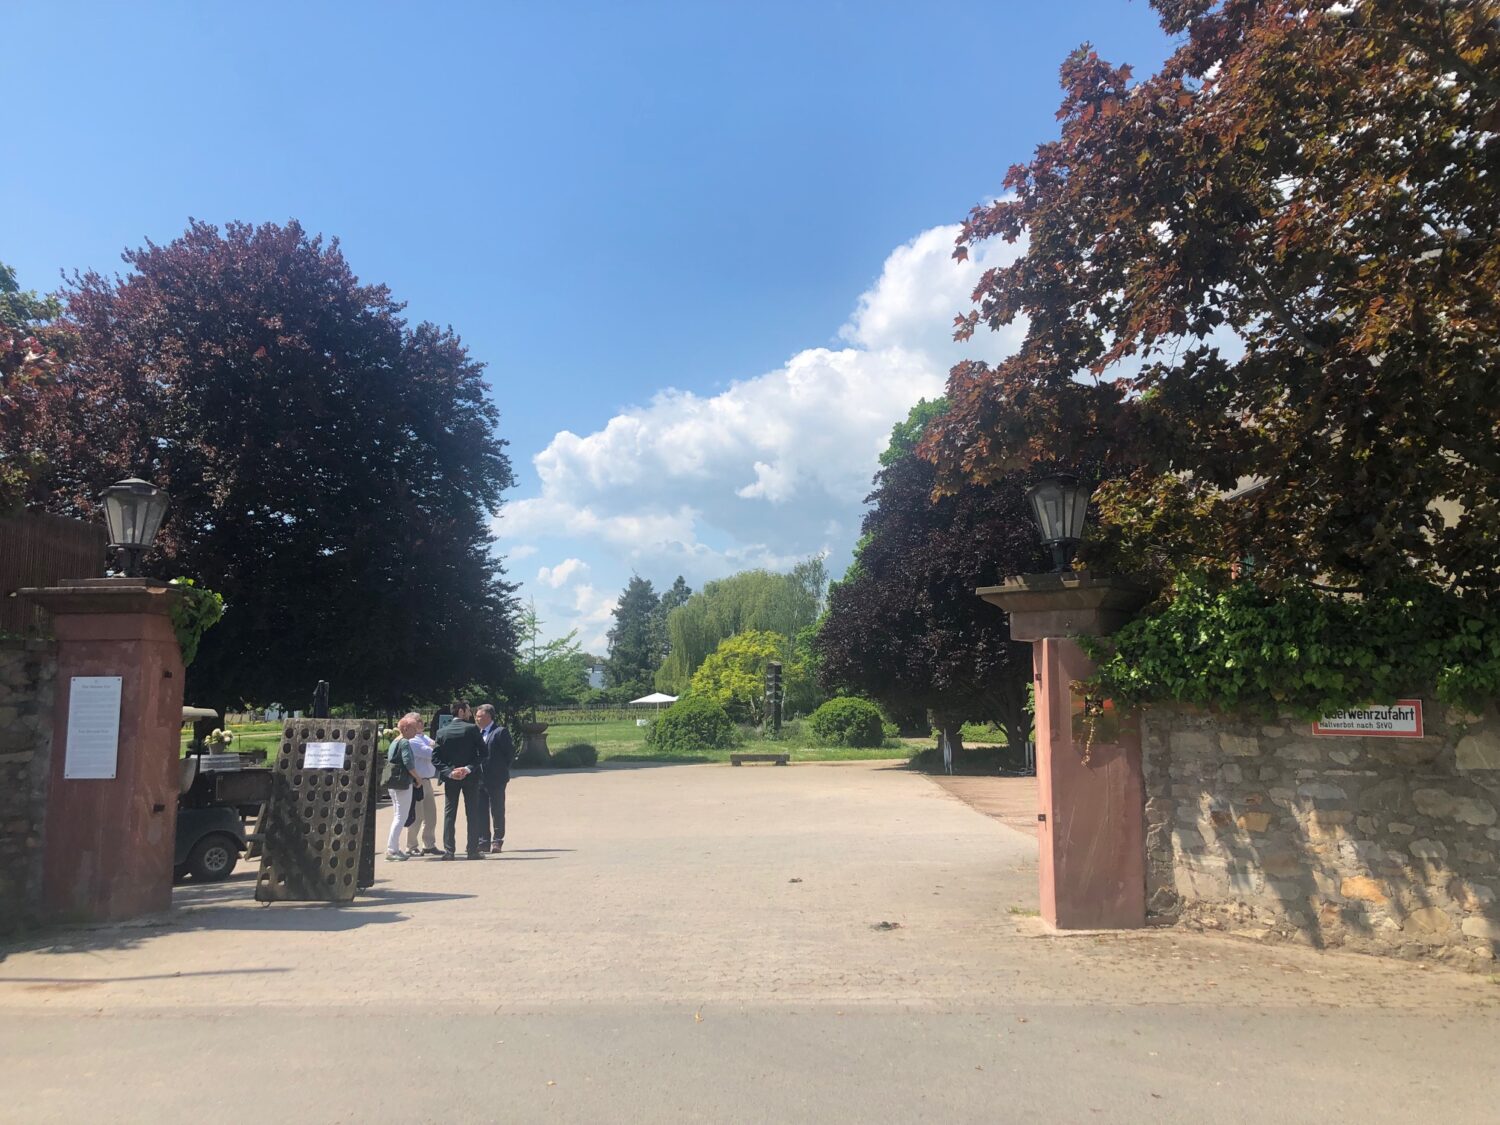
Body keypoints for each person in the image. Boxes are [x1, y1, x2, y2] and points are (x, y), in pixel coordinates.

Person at [431, 699, 487, 860]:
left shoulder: (442, 732)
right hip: (470, 777)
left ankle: (449, 851)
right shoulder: (472, 729)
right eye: (468, 710)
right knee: (472, 813)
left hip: (451, 779)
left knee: (450, 814)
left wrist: (449, 772)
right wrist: (468, 768)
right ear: (461, 712)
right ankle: (472, 850)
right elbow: (483, 753)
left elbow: (435, 758)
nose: (470, 714)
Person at [474, 703, 516, 854]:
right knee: (480, 811)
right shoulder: (476, 732)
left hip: (496, 778)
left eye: (480, 716)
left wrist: (500, 769)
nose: (477, 719)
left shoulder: (500, 732)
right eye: (476, 716)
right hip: (479, 779)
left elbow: (509, 754)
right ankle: (483, 841)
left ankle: (497, 840)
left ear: (489, 716)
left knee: (497, 810)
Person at [384, 714, 423, 860]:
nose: (417, 731)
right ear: (405, 728)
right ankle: (392, 850)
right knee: (401, 816)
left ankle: (393, 848)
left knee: (397, 815)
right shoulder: (405, 742)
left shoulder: (395, 741)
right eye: (414, 728)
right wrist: (417, 778)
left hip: (392, 782)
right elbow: (408, 762)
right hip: (402, 782)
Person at [405, 714, 443, 856]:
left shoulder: (423, 737)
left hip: (427, 781)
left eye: (421, 720)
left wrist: (432, 745)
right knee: (417, 815)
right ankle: (411, 845)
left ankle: (429, 844)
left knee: (431, 815)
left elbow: (435, 745)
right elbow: (431, 752)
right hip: (417, 781)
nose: (421, 723)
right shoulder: (412, 740)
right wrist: (432, 746)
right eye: (418, 721)